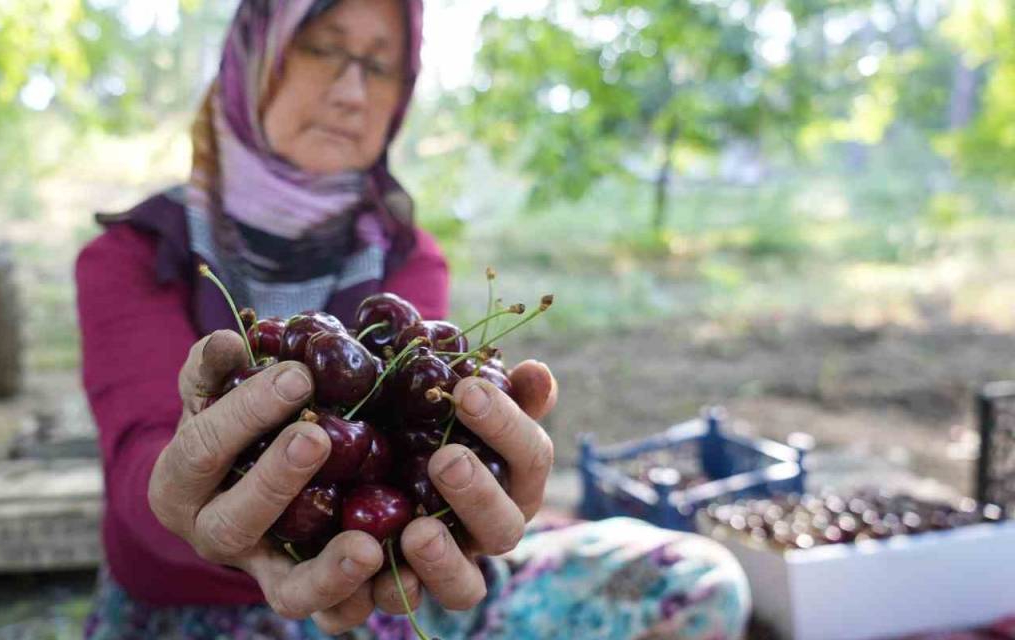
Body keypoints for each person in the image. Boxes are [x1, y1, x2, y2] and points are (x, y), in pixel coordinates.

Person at [75, 0, 750, 638]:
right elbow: (142, 465)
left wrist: (466, 493)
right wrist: (186, 499)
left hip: (380, 585)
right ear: (255, 55)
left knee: (697, 581)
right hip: (195, 605)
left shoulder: (401, 252)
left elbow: (407, 430)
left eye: (379, 65)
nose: (351, 92)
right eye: (321, 49)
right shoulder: (137, 255)